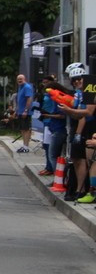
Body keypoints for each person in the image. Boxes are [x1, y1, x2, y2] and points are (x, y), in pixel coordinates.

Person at [57, 62, 95, 202]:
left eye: (80, 79)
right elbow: (77, 115)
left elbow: (86, 114)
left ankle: (88, 191)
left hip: (89, 129)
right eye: (74, 80)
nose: (78, 82)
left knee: (90, 161)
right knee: (78, 161)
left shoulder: (90, 89)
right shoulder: (78, 93)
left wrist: (78, 134)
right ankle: (80, 190)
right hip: (79, 129)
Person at [13, 74, 35, 153]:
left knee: (26, 129)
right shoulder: (20, 87)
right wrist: (16, 111)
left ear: (24, 79)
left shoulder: (27, 87)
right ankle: (24, 145)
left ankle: (26, 146)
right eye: (18, 79)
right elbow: (19, 100)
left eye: (21, 79)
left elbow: (29, 99)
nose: (19, 81)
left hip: (25, 113)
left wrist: (26, 110)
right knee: (22, 129)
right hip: (20, 111)